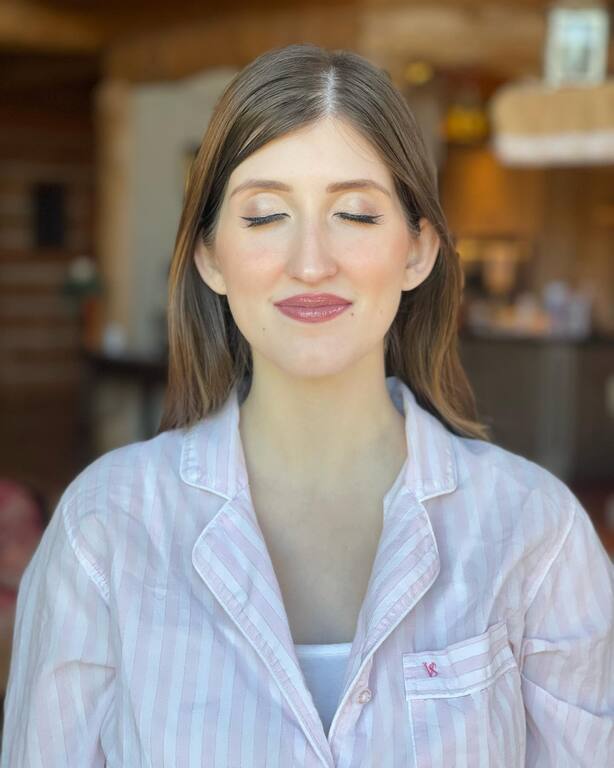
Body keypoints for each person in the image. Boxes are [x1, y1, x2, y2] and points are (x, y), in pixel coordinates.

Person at [2, 42, 613, 767]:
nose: (312, 262)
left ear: (418, 250)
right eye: (265, 216)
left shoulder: (536, 533)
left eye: (355, 214)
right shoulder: (105, 528)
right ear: (210, 256)